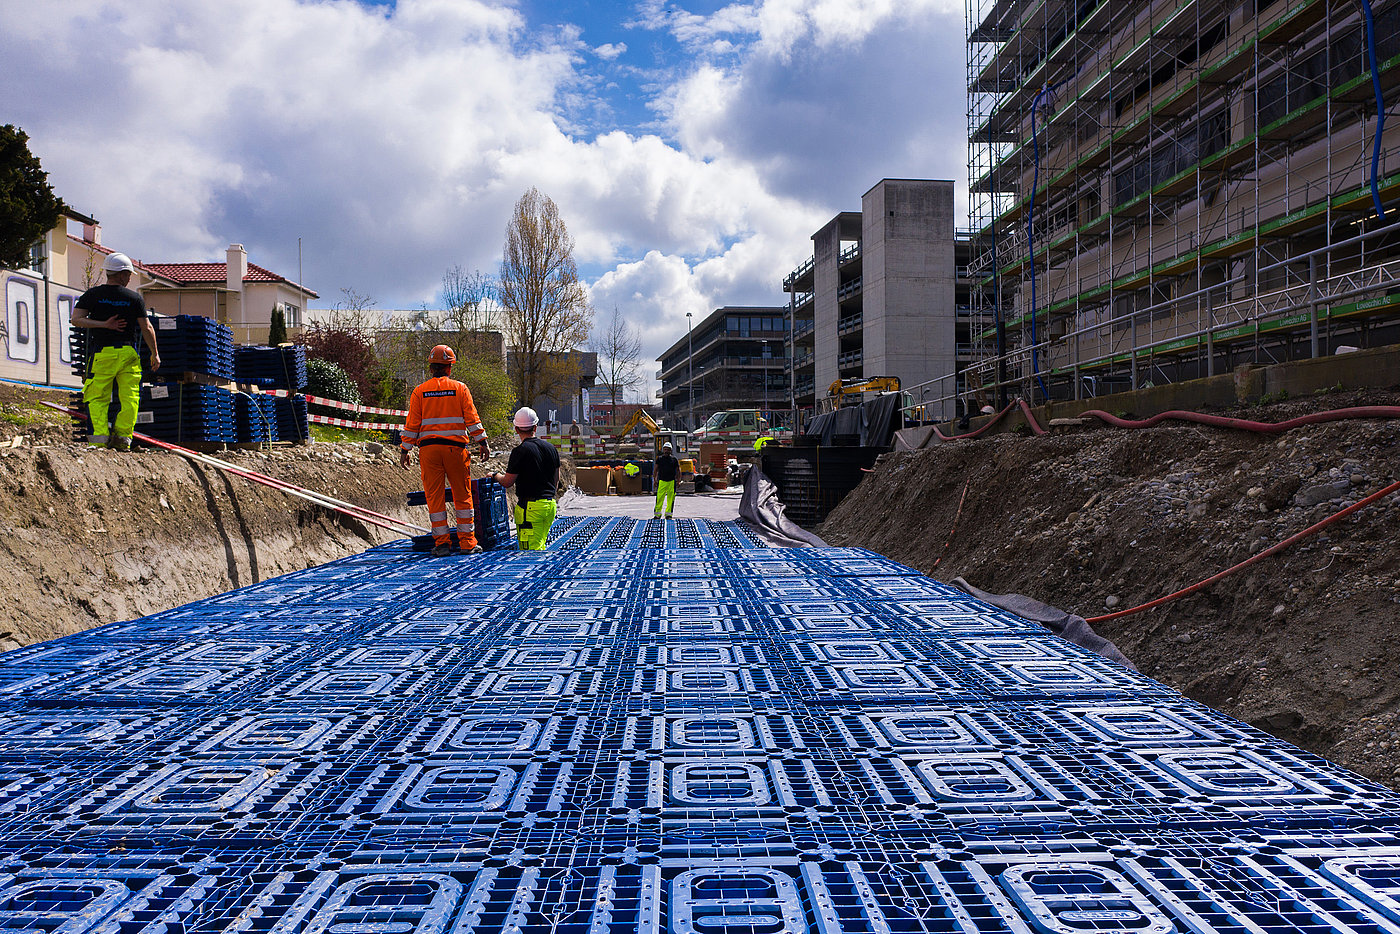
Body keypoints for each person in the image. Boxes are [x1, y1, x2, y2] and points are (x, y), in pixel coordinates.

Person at [399, 345, 490, 557]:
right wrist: (482, 442)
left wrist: (405, 449)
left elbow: (412, 425)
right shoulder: (460, 389)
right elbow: (472, 419)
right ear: (449, 367)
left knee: (434, 497)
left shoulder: (419, 391)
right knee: (462, 495)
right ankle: (467, 543)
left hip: (429, 451)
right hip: (455, 450)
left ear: (431, 368)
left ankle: (441, 544)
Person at [71, 252, 160, 450]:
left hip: (103, 355)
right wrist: (155, 353)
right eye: (128, 274)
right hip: (128, 354)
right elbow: (147, 328)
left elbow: (76, 319)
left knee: (97, 397)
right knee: (130, 398)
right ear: (121, 274)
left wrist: (103, 324)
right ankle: (122, 439)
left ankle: (99, 441)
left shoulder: (92, 295)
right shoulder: (133, 298)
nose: (129, 278)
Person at [492, 407, 560, 550]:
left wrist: (494, 475)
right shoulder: (551, 448)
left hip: (530, 509)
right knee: (540, 545)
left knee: (529, 553)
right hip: (549, 506)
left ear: (516, 429)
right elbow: (556, 479)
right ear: (535, 427)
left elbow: (507, 482)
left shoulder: (520, 451)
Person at [654, 441, 679, 519]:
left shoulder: (674, 459)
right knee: (659, 498)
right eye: (665, 449)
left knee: (671, 498)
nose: (666, 451)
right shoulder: (660, 459)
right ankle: (657, 514)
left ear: (670, 450)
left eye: (668, 449)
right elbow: (656, 469)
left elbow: (678, 470)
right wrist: (655, 479)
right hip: (662, 481)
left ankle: (668, 514)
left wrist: (678, 480)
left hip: (671, 481)